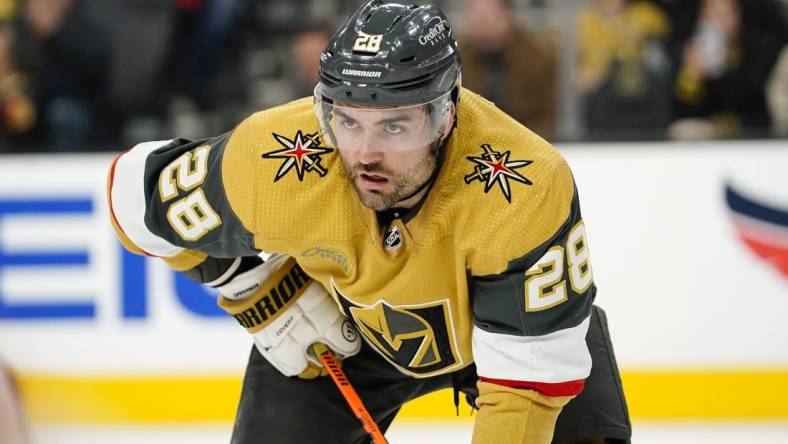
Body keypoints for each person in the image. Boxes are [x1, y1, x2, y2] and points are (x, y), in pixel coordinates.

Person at [107, 1, 631, 443]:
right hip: (345, 335)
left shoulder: (522, 184)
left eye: (395, 125)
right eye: (347, 120)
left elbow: (527, 389)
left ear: (446, 114)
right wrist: (253, 287)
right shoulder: (276, 160)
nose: (365, 154)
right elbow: (131, 194)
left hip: (507, 332)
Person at [460, 0, 559, 138]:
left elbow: (549, 116)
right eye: (475, 15)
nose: (479, 22)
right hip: (471, 142)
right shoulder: (458, 58)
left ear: (508, 15)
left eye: (486, 16)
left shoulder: (537, 58)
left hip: (526, 143)